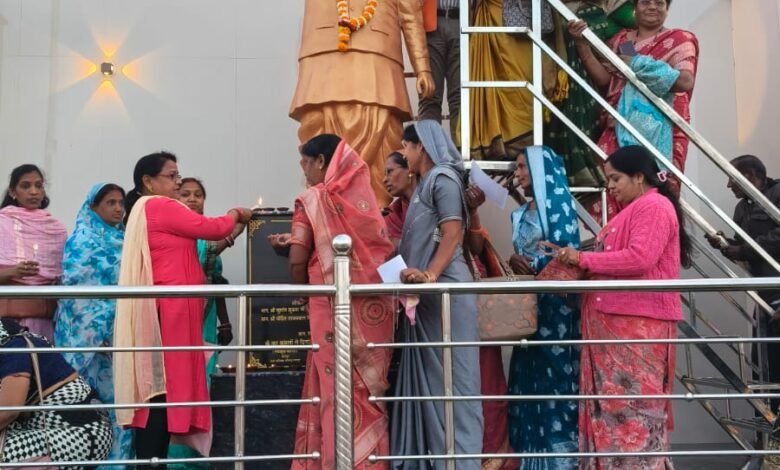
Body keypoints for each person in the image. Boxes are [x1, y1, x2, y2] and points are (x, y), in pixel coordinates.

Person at [556, 145, 692, 469]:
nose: (610, 186)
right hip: (617, 327)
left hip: (635, 329)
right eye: (608, 180)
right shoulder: (637, 208)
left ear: (639, 177)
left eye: (615, 178)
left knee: (633, 413)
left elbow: (640, 258)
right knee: (616, 412)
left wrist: (583, 259)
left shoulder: (654, 206)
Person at [113, 151, 252, 469]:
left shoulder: (148, 207)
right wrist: (236, 213)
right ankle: (153, 461)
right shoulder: (159, 205)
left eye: (178, 175)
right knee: (164, 389)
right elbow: (213, 228)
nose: (177, 182)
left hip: (170, 308)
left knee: (162, 388)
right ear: (149, 181)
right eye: (172, 176)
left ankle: (154, 460)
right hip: (171, 310)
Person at [268, 134, 396, 470]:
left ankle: (334, 461)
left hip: (327, 304)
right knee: (365, 390)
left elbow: (298, 261)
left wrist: (301, 288)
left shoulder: (312, 199)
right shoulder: (363, 202)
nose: (304, 169)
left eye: (306, 162)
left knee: (333, 385)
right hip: (372, 310)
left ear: (322, 161)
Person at [391, 120, 483, 469]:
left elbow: (452, 232)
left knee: (456, 383)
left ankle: (462, 462)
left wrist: (430, 274)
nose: (404, 154)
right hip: (428, 301)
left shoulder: (442, 178)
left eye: (406, 147)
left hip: (446, 295)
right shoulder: (426, 183)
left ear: (422, 146)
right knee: (433, 384)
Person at [290, 0, 434, 205]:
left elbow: (410, 13)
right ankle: (324, 208)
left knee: (382, 143)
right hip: (322, 55)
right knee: (317, 133)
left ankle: (375, 212)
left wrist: (422, 68)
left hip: (379, 56)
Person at [569, 0, 699, 219]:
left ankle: (652, 232)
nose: (652, 7)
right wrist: (581, 44)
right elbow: (607, 79)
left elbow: (684, 81)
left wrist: (639, 63)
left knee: (657, 187)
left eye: (659, 3)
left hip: (663, 129)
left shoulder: (678, 39)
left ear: (667, 9)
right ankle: (619, 234)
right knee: (610, 181)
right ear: (634, 8)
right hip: (619, 125)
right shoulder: (625, 42)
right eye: (645, 2)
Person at [506, 146, 582, 469]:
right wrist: (515, 260)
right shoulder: (519, 213)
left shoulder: (560, 207)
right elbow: (521, 253)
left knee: (556, 376)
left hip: (556, 306)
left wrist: (535, 264)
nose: (518, 173)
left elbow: (569, 255)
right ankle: (530, 458)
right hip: (527, 305)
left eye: (524, 166)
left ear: (541, 170)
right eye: (517, 167)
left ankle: (560, 460)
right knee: (527, 373)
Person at [167, 177, 245, 468]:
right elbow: (211, 252)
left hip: (206, 321)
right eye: (185, 194)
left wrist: (225, 323)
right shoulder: (175, 235)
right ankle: (176, 461)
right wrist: (236, 226)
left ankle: (196, 458)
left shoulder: (207, 237)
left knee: (203, 387)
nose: (192, 199)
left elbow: (215, 280)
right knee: (179, 389)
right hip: (178, 321)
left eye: (198, 194)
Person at [53, 182, 132, 468]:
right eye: (110, 203)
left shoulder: (124, 240)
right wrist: (99, 330)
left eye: (121, 203)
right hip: (86, 344)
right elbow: (76, 295)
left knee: (119, 409)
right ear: (93, 207)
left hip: (117, 340)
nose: (118, 209)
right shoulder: (81, 241)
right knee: (84, 407)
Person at [705, 155, 780, 414]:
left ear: (748, 175)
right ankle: (769, 425)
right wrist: (725, 244)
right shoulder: (742, 209)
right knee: (765, 365)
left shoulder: (777, 194)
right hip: (765, 296)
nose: (729, 185)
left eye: (732, 178)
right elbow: (742, 249)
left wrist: (743, 250)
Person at [0, 318, 112, 467]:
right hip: (75, 429)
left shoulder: (14, 347)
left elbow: (9, 410)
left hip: (78, 430)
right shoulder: (18, 341)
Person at [548, 1, 636, 188]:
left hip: (608, 88)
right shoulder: (563, 8)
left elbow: (631, 51)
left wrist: (631, 58)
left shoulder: (621, 9)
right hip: (568, 80)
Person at [462, 184, 516, 469]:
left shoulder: (458, 209)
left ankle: (492, 457)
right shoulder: (407, 212)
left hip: (475, 313)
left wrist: (472, 213)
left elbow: (475, 247)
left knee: (487, 383)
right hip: (436, 316)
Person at [0, 164, 67, 340]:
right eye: (25, 186)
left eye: (39, 185)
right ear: (12, 192)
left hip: (44, 318)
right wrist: (12, 272)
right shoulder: (2, 223)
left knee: (41, 356)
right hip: (6, 320)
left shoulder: (56, 229)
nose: (33, 191)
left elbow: (63, 274)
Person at [463, 0, 535, 160]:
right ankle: (501, 145)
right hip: (492, 19)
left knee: (521, 82)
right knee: (500, 80)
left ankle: (523, 144)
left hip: (520, 18)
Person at [418, 0, 460, 136]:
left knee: (461, 95)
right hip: (432, 23)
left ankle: (460, 146)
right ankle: (429, 147)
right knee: (429, 93)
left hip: (462, 22)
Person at [383, 151, 417, 248]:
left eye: (390, 171)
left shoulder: (431, 203)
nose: (384, 180)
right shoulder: (393, 214)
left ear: (409, 168)